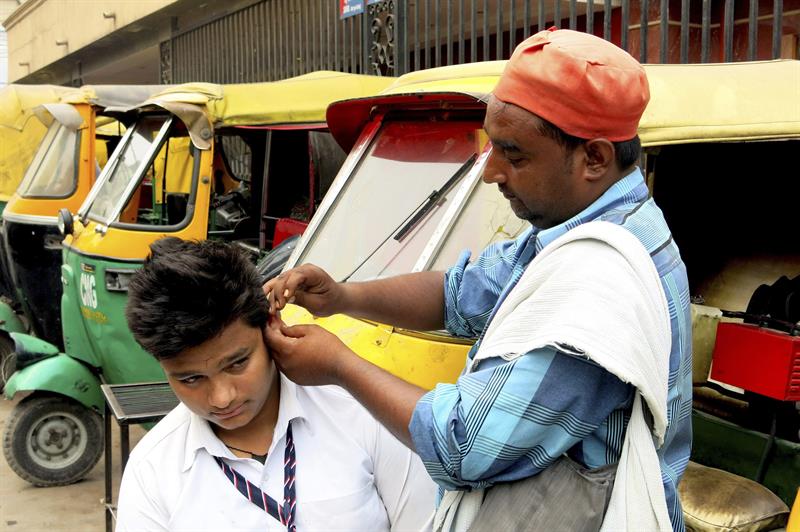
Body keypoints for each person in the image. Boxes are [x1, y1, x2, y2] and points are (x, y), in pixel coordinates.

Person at [264, 28, 692, 532]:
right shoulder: (584, 227)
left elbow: (465, 447)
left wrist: (338, 364)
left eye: (513, 154)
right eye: (489, 148)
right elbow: (460, 294)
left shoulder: (599, 285)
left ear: (594, 158)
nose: (491, 172)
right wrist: (342, 297)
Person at [117, 237, 436, 531]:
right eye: (190, 379)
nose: (222, 398)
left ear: (271, 324)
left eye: (237, 363)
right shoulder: (153, 472)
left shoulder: (364, 416)